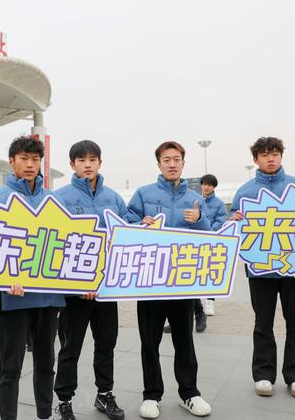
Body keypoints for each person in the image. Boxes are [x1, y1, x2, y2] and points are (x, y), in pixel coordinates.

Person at [127, 141, 212, 418]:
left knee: (184, 340)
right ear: (159, 164)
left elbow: (210, 237)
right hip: (150, 281)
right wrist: (139, 225)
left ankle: (189, 393)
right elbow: (126, 226)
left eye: (177, 159)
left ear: (183, 164)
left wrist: (199, 219)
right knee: (149, 341)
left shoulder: (194, 198)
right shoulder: (143, 194)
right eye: (167, 160)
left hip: (181, 282)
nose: (172, 164)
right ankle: (151, 395)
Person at [0, 136, 65, 420]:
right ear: (12, 161)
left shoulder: (53, 200)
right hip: (14, 298)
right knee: (10, 367)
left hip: (48, 297)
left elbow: (65, 244)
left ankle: (44, 414)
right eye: (24, 159)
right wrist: (2, 279)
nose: (30, 165)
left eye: (35, 160)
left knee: (46, 363)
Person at [229, 137, 295, 399]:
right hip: (260, 269)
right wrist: (234, 218)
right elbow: (233, 225)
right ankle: (263, 374)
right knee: (263, 323)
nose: (270, 159)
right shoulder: (245, 192)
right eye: (264, 155)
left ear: (281, 156)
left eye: (274, 153)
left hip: (294, 268)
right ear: (256, 160)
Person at [53, 140, 127, 420]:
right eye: (81, 160)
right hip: (75, 292)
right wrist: (78, 284)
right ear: (72, 164)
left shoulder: (114, 198)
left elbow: (126, 235)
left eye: (92, 159)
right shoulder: (60, 197)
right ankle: (64, 400)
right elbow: (54, 243)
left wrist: (144, 226)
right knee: (70, 347)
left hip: (106, 289)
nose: (87, 164)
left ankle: (105, 394)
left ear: (100, 163)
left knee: (106, 343)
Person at [200, 174, 227, 316]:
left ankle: (210, 302)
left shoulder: (219, 204)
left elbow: (220, 221)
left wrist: (209, 231)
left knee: (210, 272)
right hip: (194, 240)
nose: (206, 187)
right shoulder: (194, 200)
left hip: (211, 240)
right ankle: (195, 305)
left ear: (214, 187)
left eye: (210, 185)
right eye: (204, 184)